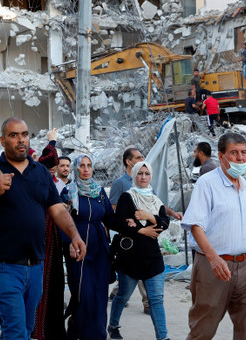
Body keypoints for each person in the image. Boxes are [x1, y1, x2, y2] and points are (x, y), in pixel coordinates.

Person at [0, 117, 86, 340]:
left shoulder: (40, 172)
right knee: (15, 331)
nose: (21, 140)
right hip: (3, 265)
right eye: (13, 135)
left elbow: (58, 210)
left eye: (24, 134)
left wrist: (74, 235)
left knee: (26, 329)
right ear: (3, 140)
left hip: (35, 266)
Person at [181, 132, 246, 340]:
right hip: (214, 267)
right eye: (234, 153)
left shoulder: (243, 184)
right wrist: (213, 258)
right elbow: (196, 225)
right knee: (203, 330)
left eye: (243, 152)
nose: (240, 158)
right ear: (221, 156)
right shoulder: (207, 183)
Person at [108, 161, 170, 340]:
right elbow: (118, 222)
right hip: (131, 258)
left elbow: (164, 223)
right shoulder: (127, 197)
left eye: (147, 174)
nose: (143, 177)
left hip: (152, 257)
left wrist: (149, 217)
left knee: (156, 300)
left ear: (151, 176)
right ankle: (113, 326)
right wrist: (141, 230)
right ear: (134, 175)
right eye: (140, 173)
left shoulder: (154, 198)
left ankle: (163, 337)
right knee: (122, 296)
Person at [61, 154, 114, 340]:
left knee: (99, 296)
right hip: (78, 248)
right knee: (84, 295)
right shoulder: (68, 191)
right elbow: (61, 220)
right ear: (76, 168)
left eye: (89, 165)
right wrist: (68, 242)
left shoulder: (99, 191)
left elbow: (109, 217)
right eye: (82, 166)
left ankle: (98, 335)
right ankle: (78, 327)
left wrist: (131, 222)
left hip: (99, 249)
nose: (85, 169)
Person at [33, 129, 68, 340]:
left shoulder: (55, 185)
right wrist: (52, 141)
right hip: (41, 241)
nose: (56, 169)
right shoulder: (38, 182)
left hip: (53, 241)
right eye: (54, 166)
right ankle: (39, 330)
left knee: (54, 287)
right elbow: (48, 159)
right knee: (42, 288)